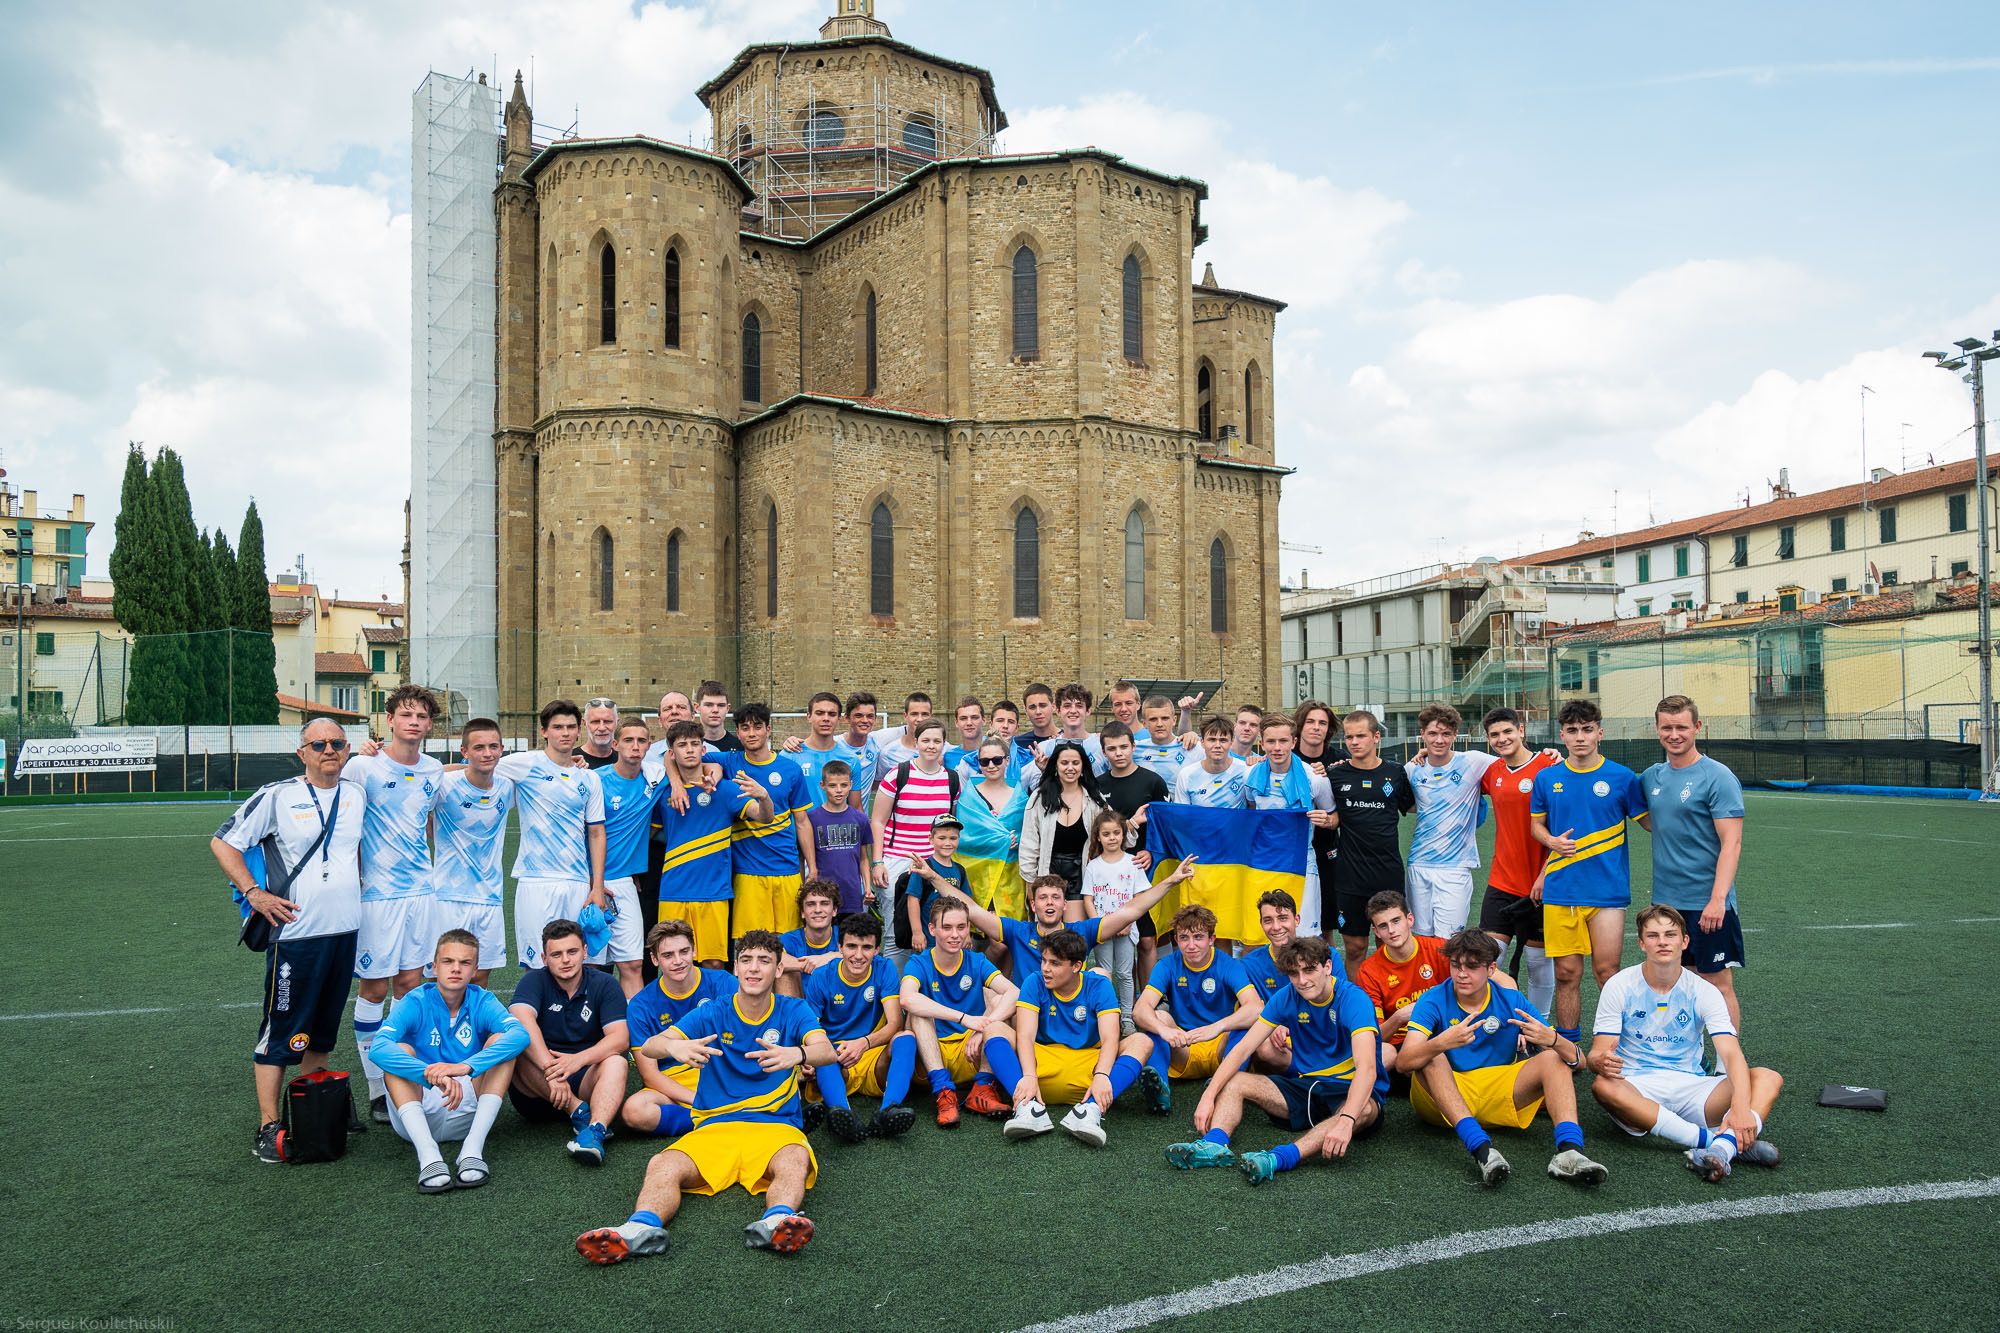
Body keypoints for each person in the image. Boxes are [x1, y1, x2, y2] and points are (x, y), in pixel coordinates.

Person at [575, 930, 837, 1264]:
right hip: (715, 1127)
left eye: (764, 961)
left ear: (778, 970)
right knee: (663, 1164)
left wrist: (798, 1054)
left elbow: (826, 1051)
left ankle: (777, 1221)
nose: (754, 968)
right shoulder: (713, 1011)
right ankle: (638, 1228)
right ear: (736, 969)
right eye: (746, 960)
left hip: (774, 1126)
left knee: (794, 1159)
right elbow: (652, 1045)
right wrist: (673, 1045)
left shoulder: (793, 1009)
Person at [212, 719, 369, 1163]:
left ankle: (312, 1106)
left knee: (321, 1029)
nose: (329, 750)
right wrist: (255, 894)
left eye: (337, 743)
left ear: (347, 748)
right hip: (296, 936)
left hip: (344, 930)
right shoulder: (277, 795)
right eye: (318, 744)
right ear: (302, 752)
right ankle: (268, 1124)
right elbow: (224, 842)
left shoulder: (355, 793)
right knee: (281, 1029)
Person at [1164, 936, 1385, 1185]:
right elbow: (1242, 1049)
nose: (1302, 981)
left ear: (1328, 967)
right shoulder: (1287, 996)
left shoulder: (1353, 999)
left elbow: (1367, 1069)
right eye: (1294, 973)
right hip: (1308, 1086)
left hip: (1351, 1089)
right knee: (1236, 1080)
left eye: (1310, 970)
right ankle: (1214, 1144)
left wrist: (1347, 1121)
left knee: (1362, 1109)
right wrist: (1208, 1096)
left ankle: (1279, 1158)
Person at [1587, 906, 1784, 1182]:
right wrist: (1599, 1061)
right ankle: (1718, 1143)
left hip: (1693, 1087)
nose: (1663, 942)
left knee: (1767, 1078)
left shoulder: (1704, 990)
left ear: (1685, 941)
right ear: (1642, 943)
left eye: (1670, 934)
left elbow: (1730, 1052)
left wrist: (1740, 1105)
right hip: (1637, 1086)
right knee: (1603, 1086)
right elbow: (1598, 1052)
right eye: (1653, 936)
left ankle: (1722, 1148)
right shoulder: (1619, 985)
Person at [1396, 929, 1605, 1187]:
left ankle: (1569, 1152)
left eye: (1472, 966)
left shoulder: (1511, 1000)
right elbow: (1404, 1062)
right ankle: (1483, 1151)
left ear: (1491, 968)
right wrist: (1442, 1042)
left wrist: (1552, 1040)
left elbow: (1578, 1062)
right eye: (1455, 965)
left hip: (1499, 1092)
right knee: (1431, 1056)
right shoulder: (1433, 999)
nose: (1461, 974)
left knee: (1553, 1058)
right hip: (1444, 1099)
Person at [344, 684, 445, 1120]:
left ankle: (403, 1078)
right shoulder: (362, 767)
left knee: (410, 986)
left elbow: (427, 822)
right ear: (389, 720)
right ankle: (375, 1087)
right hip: (378, 897)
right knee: (374, 988)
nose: (415, 723)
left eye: (422, 716)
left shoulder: (435, 770)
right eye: (407, 715)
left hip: (422, 894)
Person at [371, 929, 529, 1192]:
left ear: (475, 969)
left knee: (502, 1042)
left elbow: (520, 1036)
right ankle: (429, 1157)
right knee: (399, 1050)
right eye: (448, 962)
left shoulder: (482, 999)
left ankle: (472, 1151)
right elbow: (378, 1048)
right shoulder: (416, 1000)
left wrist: (465, 1067)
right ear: (434, 966)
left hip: (466, 1105)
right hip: (418, 1106)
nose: (456, 969)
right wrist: (430, 1074)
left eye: (465, 963)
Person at [1531, 699, 1647, 1046]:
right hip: (1561, 890)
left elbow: (1651, 823)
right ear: (1562, 735)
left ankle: (1628, 1044)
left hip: (1607, 892)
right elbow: (1537, 827)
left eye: (1586, 730)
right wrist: (1551, 840)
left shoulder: (1623, 778)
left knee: (1607, 972)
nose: (1580, 737)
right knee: (1567, 974)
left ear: (1600, 732)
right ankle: (1568, 1049)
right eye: (1572, 731)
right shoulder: (1547, 778)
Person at [984, 930, 1161, 1147]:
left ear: (1077, 966)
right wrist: (1029, 1075)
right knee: (994, 1030)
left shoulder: (1098, 985)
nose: (1046, 969)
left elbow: (1110, 1038)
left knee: (1142, 1041)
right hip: (1039, 1072)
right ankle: (1027, 1108)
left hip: (1090, 1074)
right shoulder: (1034, 982)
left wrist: (1103, 1075)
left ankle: (1091, 1111)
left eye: (1055, 963)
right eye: (1044, 961)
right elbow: (1025, 1035)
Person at [1637, 695, 1749, 1031]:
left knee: (1716, 984)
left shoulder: (1718, 776)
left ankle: (1727, 1069)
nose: (1674, 734)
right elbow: (1649, 819)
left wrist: (1717, 900)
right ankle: (1685, 1058)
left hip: (1707, 903)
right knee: (1673, 983)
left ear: (1697, 727)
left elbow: (1732, 843)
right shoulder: (1651, 777)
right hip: (1666, 904)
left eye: (1682, 727)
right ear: (1657, 730)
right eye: (1667, 727)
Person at [494, 699, 608, 971]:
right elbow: (476, 769)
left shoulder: (589, 779)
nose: (565, 733)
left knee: (579, 964)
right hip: (536, 881)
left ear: (579, 730)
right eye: (557, 727)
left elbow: (596, 833)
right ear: (544, 731)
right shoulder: (525, 763)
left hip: (577, 882)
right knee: (538, 966)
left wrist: (597, 886)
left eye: (570, 727)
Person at [652, 719, 774, 967]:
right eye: (682, 745)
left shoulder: (725, 789)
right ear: (671, 752)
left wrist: (764, 796)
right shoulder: (664, 793)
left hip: (713, 892)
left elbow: (764, 817)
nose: (689, 749)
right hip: (674, 891)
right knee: (671, 965)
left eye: (695, 744)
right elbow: (646, 836)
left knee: (714, 965)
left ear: (704, 750)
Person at [508, 919, 630, 1165]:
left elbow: (621, 1037)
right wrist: (552, 1072)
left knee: (617, 1061)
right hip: (537, 1090)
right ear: (544, 958)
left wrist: (578, 1061)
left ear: (585, 951)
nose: (566, 960)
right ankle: (578, 1110)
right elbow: (520, 1018)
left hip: (584, 1079)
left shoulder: (604, 984)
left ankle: (595, 1129)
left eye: (572, 952)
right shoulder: (534, 981)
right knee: (514, 1044)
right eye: (557, 954)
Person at [897, 897, 1021, 1126]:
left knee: (996, 997)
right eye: (947, 927)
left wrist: (985, 1026)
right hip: (932, 1057)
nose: (955, 934)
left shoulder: (977, 960)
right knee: (917, 1010)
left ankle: (983, 1088)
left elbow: (1014, 992)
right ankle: (943, 1091)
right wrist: (965, 1018)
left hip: (970, 1053)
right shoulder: (919, 962)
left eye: (961, 927)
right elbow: (906, 998)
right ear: (932, 929)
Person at [1132, 904, 1264, 1111]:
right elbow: (1140, 1010)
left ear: (1212, 939)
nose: (1191, 945)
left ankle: (1224, 1083)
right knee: (1157, 1016)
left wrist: (1218, 1027)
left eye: (1198, 937)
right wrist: (1164, 1030)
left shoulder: (1229, 964)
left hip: (1223, 1050)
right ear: (1176, 939)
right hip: (1184, 1044)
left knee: (1245, 1023)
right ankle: (1160, 1090)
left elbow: (1256, 1008)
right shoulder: (1167, 965)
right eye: (1184, 938)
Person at [801, 912, 920, 1141]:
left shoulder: (884, 968)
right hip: (838, 1061)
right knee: (823, 1054)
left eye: (866, 947)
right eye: (851, 946)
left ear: (877, 949)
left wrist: (863, 1043)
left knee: (906, 1037)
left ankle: (888, 1111)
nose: (858, 955)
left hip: (874, 1055)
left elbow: (895, 1023)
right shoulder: (822, 977)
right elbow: (810, 1032)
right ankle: (843, 1116)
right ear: (840, 947)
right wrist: (811, 1059)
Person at [1475, 707, 1561, 1016]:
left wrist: (1546, 873)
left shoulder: (1549, 767)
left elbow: (1561, 825)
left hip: (1540, 882)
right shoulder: (1492, 772)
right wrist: (1421, 755)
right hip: (1501, 880)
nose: (1502, 739)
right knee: (1486, 958)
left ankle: (1538, 1027)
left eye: (1507, 732)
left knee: (1538, 964)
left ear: (1521, 730)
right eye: (1494, 735)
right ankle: (1495, 1023)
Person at [621, 920, 737, 1140]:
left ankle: (722, 1113)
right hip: (674, 1084)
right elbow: (650, 1075)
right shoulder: (640, 1005)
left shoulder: (723, 983)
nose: (678, 961)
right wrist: (698, 1099)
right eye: (667, 955)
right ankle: (721, 1115)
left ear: (694, 950)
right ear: (655, 959)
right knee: (634, 1111)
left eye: (684, 951)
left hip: (721, 1071)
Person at [1326, 709, 1415, 971]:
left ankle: (1390, 1006)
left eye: (1361, 736)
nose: (1354, 742)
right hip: (1349, 875)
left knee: (1390, 945)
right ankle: (1360, 1008)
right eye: (1349, 737)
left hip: (1387, 874)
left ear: (1376, 737)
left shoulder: (1396, 773)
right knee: (1355, 948)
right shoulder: (1335, 775)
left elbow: (1413, 806)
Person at [1403, 703, 1501, 940]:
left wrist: (1551, 754)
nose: (1439, 740)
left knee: (1448, 941)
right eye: (1433, 734)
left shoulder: (1473, 761)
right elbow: (1407, 804)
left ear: (1455, 734)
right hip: (1418, 865)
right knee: (1421, 940)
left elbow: (1513, 761)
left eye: (1446, 734)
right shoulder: (1411, 770)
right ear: (1423, 734)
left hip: (1455, 868)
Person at [429, 718, 514, 987]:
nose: (487, 753)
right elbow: (417, 777)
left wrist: (576, 762)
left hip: (489, 898)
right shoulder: (445, 784)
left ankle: (470, 1029)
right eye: (478, 748)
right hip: (448, 896)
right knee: (439, 977)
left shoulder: (508, 786)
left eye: (493, 747)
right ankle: (437, 1029)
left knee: (479, 977)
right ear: (464, 751)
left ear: (502, 749)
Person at [870, 719, 958, 964]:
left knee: (936, 930)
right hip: (898, 860)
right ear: (916, 742)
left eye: (937, 741)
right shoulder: (898, 774)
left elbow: (948, 824)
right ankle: (895, 996)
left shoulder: (952, 780)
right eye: (926, 740)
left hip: (935, 863)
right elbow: (877, 821)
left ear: (943, 744)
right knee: (896, 934)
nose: (931, 746)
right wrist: (878, 862)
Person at [726, 702, 816, 940]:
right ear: (738, 732)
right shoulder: (729, 763)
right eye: (745, 728)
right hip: (748, 873)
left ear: (769, 729)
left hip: (787, 870)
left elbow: (802, 821)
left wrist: (812, 867)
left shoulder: (790, 769)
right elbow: (679, 757)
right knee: (750, 946)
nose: (752, 733)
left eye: (757, 726)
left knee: (788, 946)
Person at [1247, 713, 1338, 937]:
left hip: (1302, 864)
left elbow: (1334, 816)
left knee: (1304, 935)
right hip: (1264, 863)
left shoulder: (1314, 778)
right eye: (1271, 741)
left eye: (1283, 741)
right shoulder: (1250, 776)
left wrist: (1326, 821)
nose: (1277, 748)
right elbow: (1250, 811)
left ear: (1293, 742)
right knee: (1265, 934)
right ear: (1262, 743)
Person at [1090, 722, 1166, 981]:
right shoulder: (1097, 785)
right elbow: (1097, 829)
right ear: (1104, 752)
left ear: (1134, 746)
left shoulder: (1153, 781)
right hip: (1110, 872)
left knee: (1146, 939)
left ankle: (1150, 998)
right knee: (1116, 939)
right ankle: (1123, 1001)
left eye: (1124, 746)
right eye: (1111, 748)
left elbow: (1165, 825)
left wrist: (1153, 852)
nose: (1119, 753)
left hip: (1142, 867)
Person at [595, 715, 660, 996]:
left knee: (633, 963)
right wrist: (592, 882)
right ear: (615, 744)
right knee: (592, 965)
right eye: (629, 740)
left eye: (641, 740)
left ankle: (633, 1034)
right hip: (590, 882)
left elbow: (693, 766)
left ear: (649, 745)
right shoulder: (596, 780)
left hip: (623, 882)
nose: (635, 746)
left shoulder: (656, 779)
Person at [1352, 890, 1453, 1071]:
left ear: (1410, 919)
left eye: (1396, 921)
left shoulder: (1439, 949)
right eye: (1383, 926)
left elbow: (1492, 978)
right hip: (1400, 1047)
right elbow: (1373, 1038)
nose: (1391, 930)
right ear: (1376, 932)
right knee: (1384, 1053)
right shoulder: (1369, 971)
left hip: (1442, 1035)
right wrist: (1400, 1017)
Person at [1019, 740, 1105, 919]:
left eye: (1075, 763)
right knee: (1049, 934)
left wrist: (1133, 823)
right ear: (1055, 767)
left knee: (1074, 935)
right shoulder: (1039, 797)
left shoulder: (1094, 799)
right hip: (1047, 872)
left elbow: (1113, 829)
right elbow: (1029, 843)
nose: (1070, 768)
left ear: (1083, 767)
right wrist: (1030, 884)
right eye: (1064, 763)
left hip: (1079, 874)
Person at [1080, 807, 1150, 1019]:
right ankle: (1107, 1015)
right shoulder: (1093, 866)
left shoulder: (1132, 863)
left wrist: (1128, 922)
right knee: (1104, 973)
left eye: (1116, 833)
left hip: (1126, 930)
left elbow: (1140, 898)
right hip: (1103, 931)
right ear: (1098, 837)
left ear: (1123, 834)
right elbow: (1088, 899)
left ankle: (1127, 1016)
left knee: (1125, 974)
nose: (1112, 838)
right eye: (1106, 834)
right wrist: (1098, 926)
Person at [955, 737, 1029, 919]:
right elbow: (963, 839)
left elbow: (1029, 833)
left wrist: (1017, 840)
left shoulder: (1021, 797)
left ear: (1007, 760)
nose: (991, 765)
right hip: (977, 875)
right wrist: (1000, 841)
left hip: (1011, 876)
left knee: (1007, 939)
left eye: (997, 760)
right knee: (976, 931)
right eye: (984, 761)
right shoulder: (968, 797)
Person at [805, 760, 873, 916]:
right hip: (821, 896)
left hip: (852, 894)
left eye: (843, 785)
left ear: (851, 785)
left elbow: (863, 858)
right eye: (832, 785)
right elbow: (805, 858)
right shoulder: (812, 819)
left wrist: (868, 888)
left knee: (850, 937)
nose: (839, 790)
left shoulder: (860, 819)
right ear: (823, 785)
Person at [1292, 700, 1341, 916]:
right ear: (1300, 726)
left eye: (1322, 722)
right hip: (1291, 851)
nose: (1316, 727)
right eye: (1310, 721)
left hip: (1328, 848)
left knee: (1325, 922)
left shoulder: (1340, 760)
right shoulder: (1285, 757)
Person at [898, 815, 969, 954]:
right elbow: (913, 899)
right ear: (931, 839)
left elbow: (966, 904)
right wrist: (917, 932)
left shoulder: (960, 870)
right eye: (942, 838)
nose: (948, 843)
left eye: (953, 838)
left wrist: (967, 933)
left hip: (953, 938)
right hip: (928, 939)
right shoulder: (924, 867)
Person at [779, 878, 844, 996]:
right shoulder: (789, 939)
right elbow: (770, 957)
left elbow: (865, 958)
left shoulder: (845, 936)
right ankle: (794, 1015)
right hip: (801, 1003)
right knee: (783, 973)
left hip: (837, 1002)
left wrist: (830, 957)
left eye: (824, 903)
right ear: (802, 912)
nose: (818, 910)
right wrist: (808, 964)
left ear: (834, 910)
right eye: (811, 904)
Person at [1170, 717, 1250, 808]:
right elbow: (1182, 813)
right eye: (1212, 740)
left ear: (1231, 743)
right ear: (1202, 743)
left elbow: (1255, 807)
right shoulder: (1187, 775)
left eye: (1223, 740)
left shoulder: (1245, 771)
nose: (1217, 745)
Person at [789, 692, 848, 805]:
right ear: (809, 716)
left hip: (834, 823)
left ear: (839, 718)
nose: (826, 718)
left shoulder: (850, 758)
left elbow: (854, 808)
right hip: (798, 823)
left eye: (831, 714)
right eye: (820, 713)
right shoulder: (790, 755)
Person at [867, 691, 933, 775]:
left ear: (931, 716)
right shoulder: (888, 751)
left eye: (925, 714)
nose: (919, 719)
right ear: (905, 716)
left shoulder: (943, 750)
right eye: (914, 714)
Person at [1133, 694, 1192, 786]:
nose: (1159, 724)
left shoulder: (1190, 746)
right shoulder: (1134, 749)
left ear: (1174, 720)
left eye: (1165, 718)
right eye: (1153, 719)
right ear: (1144, 723)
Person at [695, 680, 742, 752]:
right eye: (709, 705)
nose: (715, 710)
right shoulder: (687, 747)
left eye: (721, 705)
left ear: (727, 708)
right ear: (697, 708)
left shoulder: (741, 747)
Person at [1018, 682, 1059, 756]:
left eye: (1043, 706)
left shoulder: (1066, 740)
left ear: (1053, 707)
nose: (1038, 712)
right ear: (1026, 711)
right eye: (1032, 707)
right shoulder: (1018, 744)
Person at [578, 697, 620, 768]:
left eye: (608, 721)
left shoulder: (624, 761)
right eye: (595, 722)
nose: (602, 728)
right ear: (584, 723)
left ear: (617, 723)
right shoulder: (572, 761)